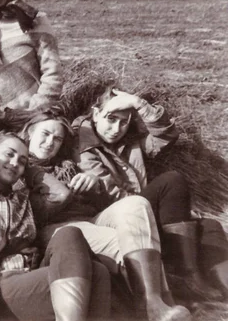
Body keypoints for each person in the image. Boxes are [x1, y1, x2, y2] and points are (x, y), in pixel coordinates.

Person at [12, 105, 194, 321]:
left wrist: (95, 185)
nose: (50, 142)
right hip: (58, 231)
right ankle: (155, 307)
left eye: (57, 138)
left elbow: (100, 203)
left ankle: (155, 302)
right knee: (121, 242)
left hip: (91, 219)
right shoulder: (20, 166)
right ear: (29, 133)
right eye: (45, 134)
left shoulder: (68, 164)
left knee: (136, 203)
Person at [74, 88, 228, 301]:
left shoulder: (128, 140)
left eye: (124, 121)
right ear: (95, 113)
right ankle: (188, 278)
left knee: (210, 227)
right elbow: (112, 197)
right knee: (171, 181)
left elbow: (167, 135)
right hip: (115, 218)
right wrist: (168, 210)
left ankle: (221, 291)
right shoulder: (81, 146)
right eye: (111, 118)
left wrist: (138, 103)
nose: (116, 128)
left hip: (139, 208)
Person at [0, 131, 110, 321]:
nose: (15, 162)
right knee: (94, 278)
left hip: (30, 277)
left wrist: (27, 168)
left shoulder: (25, 201)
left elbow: (60, 195)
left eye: (22, 160)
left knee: (80, 248)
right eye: (9, 154)